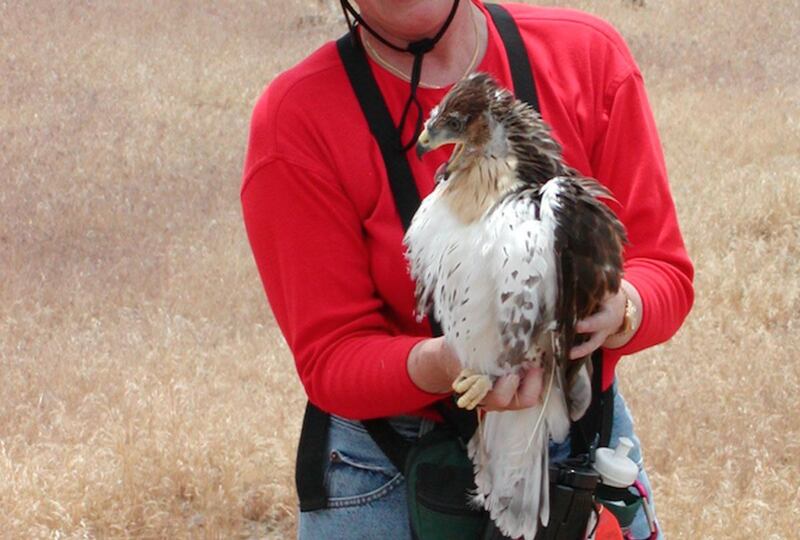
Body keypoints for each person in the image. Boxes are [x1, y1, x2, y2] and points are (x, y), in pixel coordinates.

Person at [241, 1, 694, 538]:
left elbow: (664, 269)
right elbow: (331, 358)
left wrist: (621, 309)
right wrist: (450, 363)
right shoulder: (296, 119)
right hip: (389, 460)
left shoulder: (585, 55)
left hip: (578, 432)